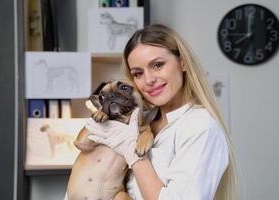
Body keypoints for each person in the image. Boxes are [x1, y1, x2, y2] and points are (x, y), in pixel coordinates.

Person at [85, 24, 239, 200]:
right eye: (138, 73)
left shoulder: (200, 127)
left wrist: (135, 157)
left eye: (157, 65)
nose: (149, 80)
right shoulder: (143, 121)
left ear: (183, 63)